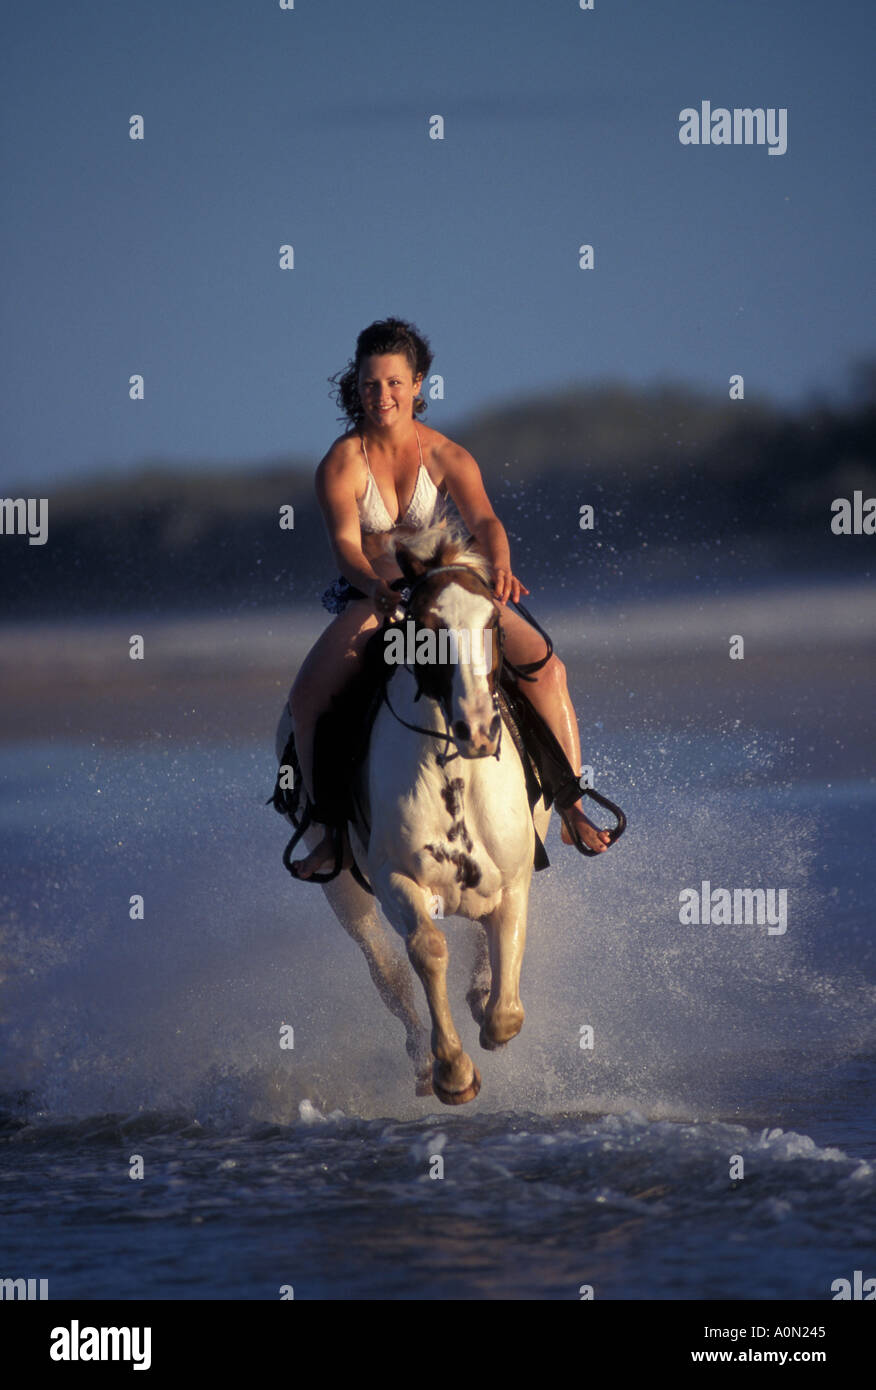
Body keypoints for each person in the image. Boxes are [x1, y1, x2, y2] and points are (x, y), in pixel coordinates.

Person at [284, 317, 611, 878]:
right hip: (377, 594)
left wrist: (501, 569)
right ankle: (332, 831)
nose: (381, 395)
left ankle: (572, 804)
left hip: (450, 589)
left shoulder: (447, 454)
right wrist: (373, 588)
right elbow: (345, 546)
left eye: (393, 383)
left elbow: (485, 521)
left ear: (417, 385)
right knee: (307, 698)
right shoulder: (340, 463)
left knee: (549, 669)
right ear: (355, 387)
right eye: (369, 384)